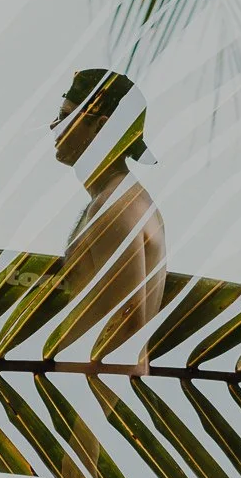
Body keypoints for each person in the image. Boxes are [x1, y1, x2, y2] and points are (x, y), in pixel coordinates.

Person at [51, 69, 166, 373]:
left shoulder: (114, 206)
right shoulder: (120, 199)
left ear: (100, 127)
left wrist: (91, 402)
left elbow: (126, 329)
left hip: (93, 395)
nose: (54, 126)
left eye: (65, 117)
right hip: (87, 391)